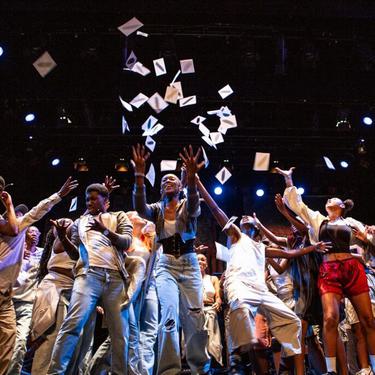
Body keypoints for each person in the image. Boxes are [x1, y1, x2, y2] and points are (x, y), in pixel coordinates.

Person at [195, 173, 331, 375]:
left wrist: (313, 248)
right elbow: (216, 208)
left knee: (293, 323)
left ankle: (290, 366)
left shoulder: (260, 247)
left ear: (256, 230)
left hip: (259, 290)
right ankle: (237, 360)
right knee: (241, 308)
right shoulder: (237, 236)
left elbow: (288, 252)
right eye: (243, 220)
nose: (245, 219)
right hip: (239, 284)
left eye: (249, 220)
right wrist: (198, 183)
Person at [277, 166, 375, 375]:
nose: (330, 200)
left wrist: (366, 238)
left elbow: (369, 241)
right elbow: (298, 204)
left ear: (341, 206)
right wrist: (288, 179)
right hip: (329, 269)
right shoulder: (318, 220)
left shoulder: (351, 223)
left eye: (334, 199)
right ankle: (331, 371)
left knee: (367, 320)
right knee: (330, 318)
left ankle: (373, 366)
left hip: (352, 269)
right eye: (328, 199)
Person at [132, 144, 211, 375]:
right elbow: (139, 206)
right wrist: (139, 174)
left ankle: (200, 369)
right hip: (166, 264)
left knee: (195, 318)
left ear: (180, 186)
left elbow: (195, 203)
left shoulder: (188, 204)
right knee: (168, 318)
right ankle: (168, 370)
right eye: (164, 180)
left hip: (189, 263)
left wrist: (193, 177)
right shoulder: (156, 209)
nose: (167, 181)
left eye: (172, 179)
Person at [47, 183, 133, 375]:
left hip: (115, 278)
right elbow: (74, 254)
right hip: (88, 276)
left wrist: (104, 230)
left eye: (94, 198)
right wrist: (63, 237)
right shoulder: (80, 222)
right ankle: (55, 372)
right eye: (87, 199)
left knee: (120, 334)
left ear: (106, 200)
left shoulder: (118, 216)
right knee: (72, 325)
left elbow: (126, 242)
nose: (89, 202)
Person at [0, 177, 77, 375]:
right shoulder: (8, 225)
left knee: (12, 341)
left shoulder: (21, 226)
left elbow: (38, 210)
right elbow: (13, 228)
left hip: (8, 298)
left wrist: (59, 195)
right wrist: (8, 204)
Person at [7, 226, 42, 375]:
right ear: (24, 233)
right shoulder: (14, 249)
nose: (34, 234)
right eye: (31, 231)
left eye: (37, 231)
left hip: (27, 303)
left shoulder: (43, 254)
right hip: (8, 301)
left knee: (21, 342)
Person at [197, 253, 223, 366]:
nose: (200, 262)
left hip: (210, 309)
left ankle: (212, 362)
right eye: (197, 260)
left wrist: (218, 301)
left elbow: (218, 297)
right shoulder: (190, 279)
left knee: (211, 337)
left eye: (203, 260)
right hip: (196, 311)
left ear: (206, 264)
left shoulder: (213, 278)